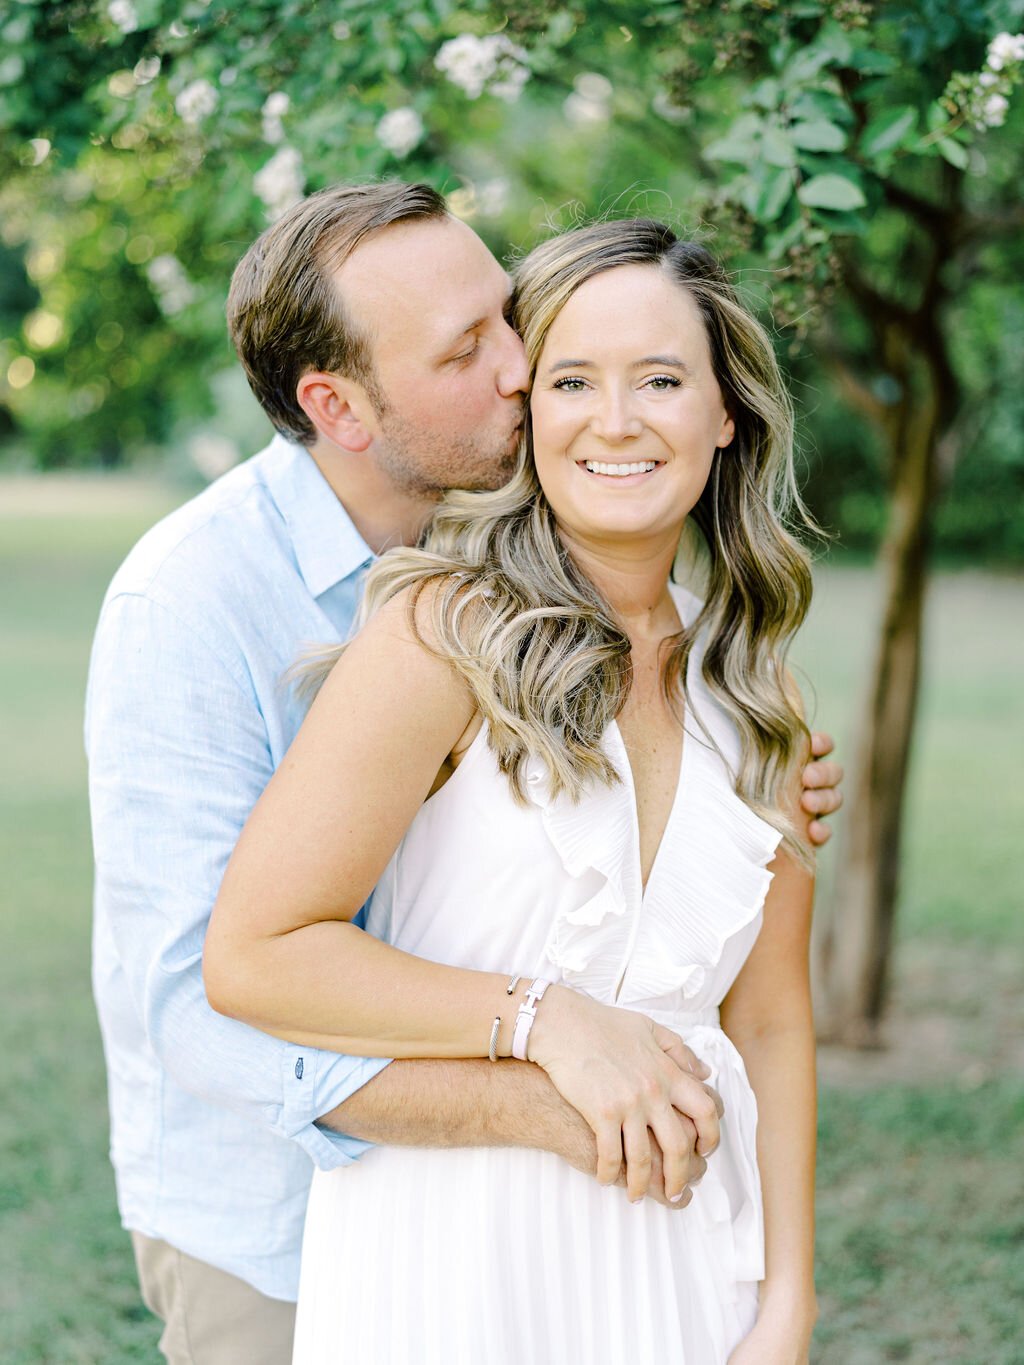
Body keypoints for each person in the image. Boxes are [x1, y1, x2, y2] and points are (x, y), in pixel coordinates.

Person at [85, 182, 841, 1364]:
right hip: (331, 1218)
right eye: (556, 375)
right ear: (339, 406)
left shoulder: (743, 684)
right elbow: (211, 983)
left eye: (512, 325)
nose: (519, 370)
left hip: (676, 1233)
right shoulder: (233, 605)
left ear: (727, 411)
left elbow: (771, 1012)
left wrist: (785, 1298)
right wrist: (548, 1059)